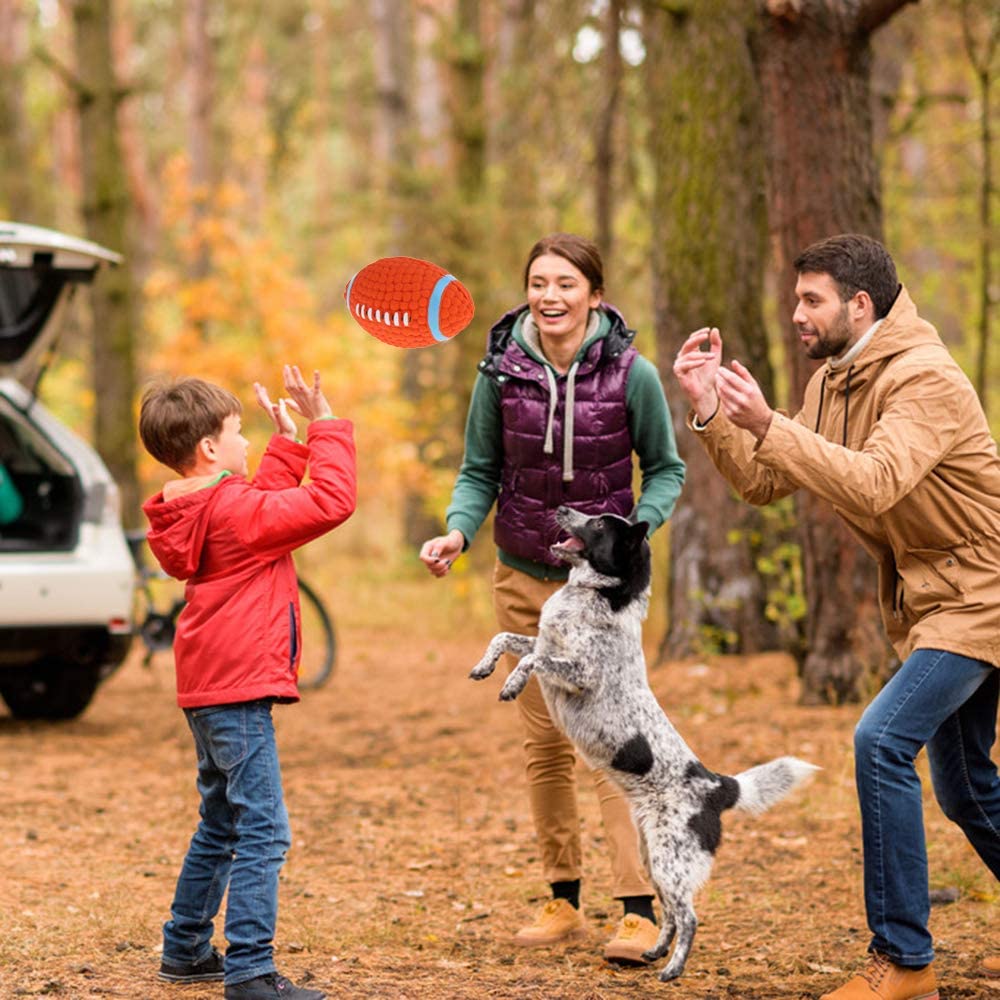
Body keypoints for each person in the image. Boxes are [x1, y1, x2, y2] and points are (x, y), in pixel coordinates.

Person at [672, 233, 1000, 1000]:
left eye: (811, 299)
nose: (796, 315)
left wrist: (769, 424)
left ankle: (903, 961)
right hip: (933, 600)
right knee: (966, 789)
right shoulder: (838, 380)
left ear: (860, 304)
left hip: (982, 591)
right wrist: (716, 411)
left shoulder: (926, 379)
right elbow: (762, 482)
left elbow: (879, 482)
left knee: (881, 739)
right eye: (796, 299)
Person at [420, 233, 686, 965]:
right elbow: (479, 471)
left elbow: (665, 469)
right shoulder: (500, 373)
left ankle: (637, 909)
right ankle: (562, 898)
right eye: (538, 282)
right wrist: (456, 533)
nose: (550, 296)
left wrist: (638, 529)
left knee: (605, 741)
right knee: (544, 745)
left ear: (595, 296)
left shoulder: (634, 375)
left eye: (566, 283)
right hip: (522, 575)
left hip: (601, 590)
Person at [139, 367, 356, 1000]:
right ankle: (252, 970)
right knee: (264, 829)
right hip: (236, 689)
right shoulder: (231, 509)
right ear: (209, 449)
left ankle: (184, 949)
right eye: (238, 434)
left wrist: (284, 447)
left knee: (221, 821)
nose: (244, 443)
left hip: (207, 683)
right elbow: (329, 503)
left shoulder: (198, 507)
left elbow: (254, 512)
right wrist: (324, 429)